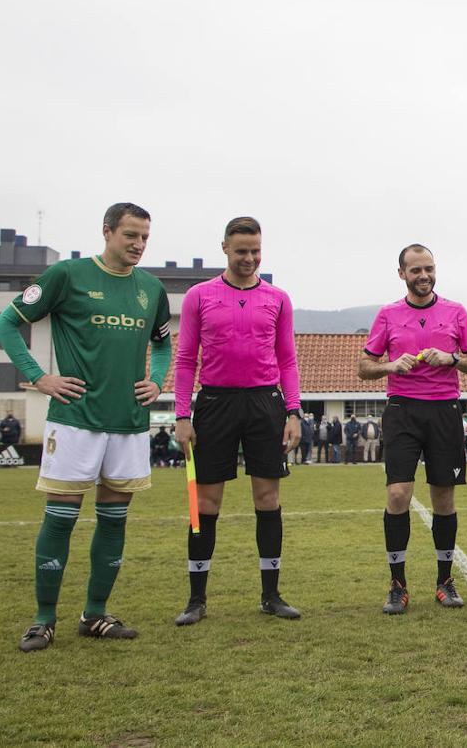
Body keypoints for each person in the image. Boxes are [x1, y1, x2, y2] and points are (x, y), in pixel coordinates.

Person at [0, 202, 172, 651]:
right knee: (61, 518)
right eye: (131, 235)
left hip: (128, 424)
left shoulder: (151, 288)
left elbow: (164, 345)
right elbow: (6, 323)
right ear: (107, 232)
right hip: (75, 420)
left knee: (114, 520)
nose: (139, 244)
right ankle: (43, 618)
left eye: (145, 237)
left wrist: (155, 380)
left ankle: (94, 614)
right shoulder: (67, 276)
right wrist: (40, 376)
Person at [172, 216, 303, 626]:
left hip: (266, 404)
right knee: (204, 503)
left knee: (268, 500)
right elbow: (185, 358)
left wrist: (293, 411)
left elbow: (287, 359)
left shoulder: (278, 298)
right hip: (214, 404)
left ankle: (271, 595)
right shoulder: (199, 295)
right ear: (225, 248)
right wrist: (181, 414)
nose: (249, 258)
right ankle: (196, 599)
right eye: (242, 250)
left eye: (256, 251)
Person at [359, 244, 467, 614]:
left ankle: (444, 581)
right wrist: (390, 366)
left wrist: (453, 358)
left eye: (429, 268)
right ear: (402, 274)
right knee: (398, 495)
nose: (424, 276)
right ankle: (397, 585)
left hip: (445, 411)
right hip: (402, 411)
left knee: (443, 498)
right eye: (415, 270)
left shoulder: (455, 312)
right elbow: (363, 367)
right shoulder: (388, 315)